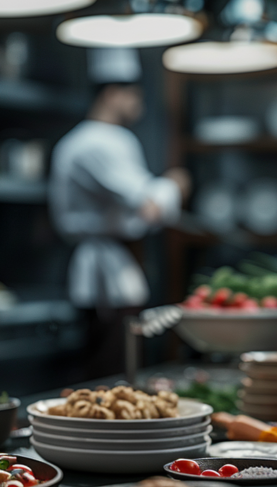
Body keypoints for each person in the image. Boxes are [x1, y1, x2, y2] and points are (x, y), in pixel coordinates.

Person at [49, 49, 190, 378]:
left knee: (116, 360)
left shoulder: (100, 140)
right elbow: (149, 205)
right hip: (105, 271)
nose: (138, 102)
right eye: (133, 93)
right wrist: (176, 184)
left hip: (115, 261)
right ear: (112, 94)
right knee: (111, 369)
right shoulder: (96, 143)